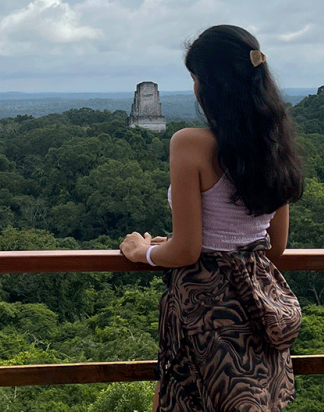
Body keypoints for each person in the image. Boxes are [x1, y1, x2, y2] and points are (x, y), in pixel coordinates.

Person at [120, 25, 304, 412]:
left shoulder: (190, 143)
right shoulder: (274, 143)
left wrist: (143, 253)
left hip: (207, 311)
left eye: (195, 78)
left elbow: (189, 250)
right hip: (258, 303)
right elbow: (277, 246)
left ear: (210, 84)